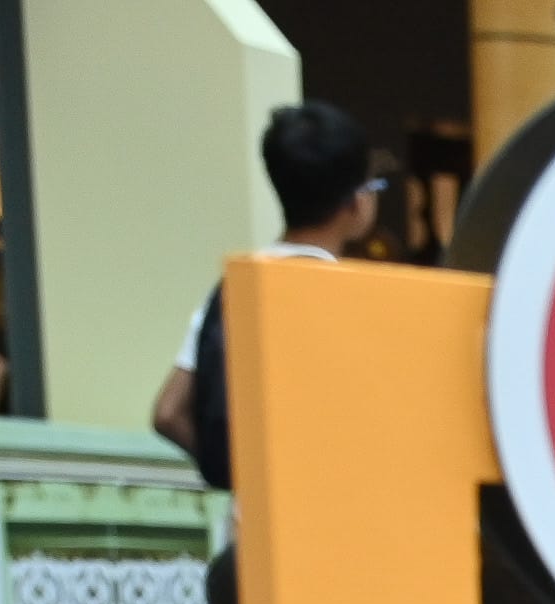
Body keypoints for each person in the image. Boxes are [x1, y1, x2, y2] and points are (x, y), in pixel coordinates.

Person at [151, 104, 382, 486]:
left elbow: (168, 412)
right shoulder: (356, 299)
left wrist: (248, 479)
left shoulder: (233, 290)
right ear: (355, 202)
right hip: (333, 513)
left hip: (249, 528)